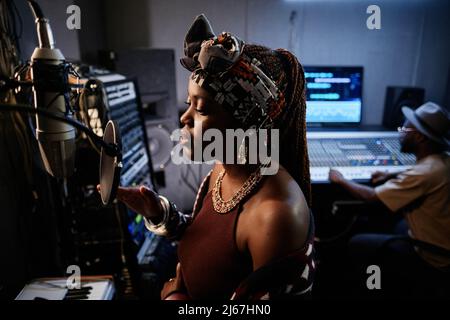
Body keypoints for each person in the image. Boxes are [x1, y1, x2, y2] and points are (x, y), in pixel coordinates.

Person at [100, 14, 315, 300]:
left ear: (246, 122)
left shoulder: (274, 215)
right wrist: (160, 214)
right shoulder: (223, 171)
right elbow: (210, 240)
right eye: (189, 104)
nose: (184, 118)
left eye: (201, 109)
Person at [328, 102, 450, 295]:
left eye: (405, 129)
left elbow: (372, 197)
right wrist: (391, 175)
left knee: (358, 243)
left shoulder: (425, 173)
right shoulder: (442, 160)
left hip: (433, 257)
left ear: (419, 137)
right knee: (392, 224)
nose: (400, 133)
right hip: (443, 243)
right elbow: (422, 173)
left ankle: (371, 288)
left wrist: (341, 180)